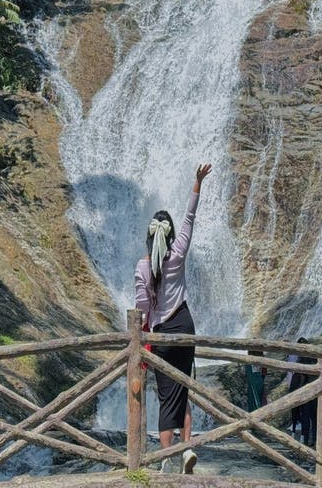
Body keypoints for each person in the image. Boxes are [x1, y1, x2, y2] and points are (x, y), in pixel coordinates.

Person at [134, 163, 211, 475]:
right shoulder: (177, 255)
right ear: (171, 234)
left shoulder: (142, 268)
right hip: (185, 325)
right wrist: (197, 182)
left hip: (162, 333)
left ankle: (166, 457)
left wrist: (144, 330)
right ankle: (187, 448)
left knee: (167, 396)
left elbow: (141, 307)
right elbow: (190, 218)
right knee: (184, 389)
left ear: (150, 237)